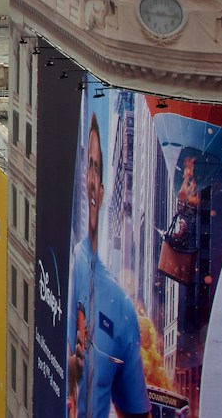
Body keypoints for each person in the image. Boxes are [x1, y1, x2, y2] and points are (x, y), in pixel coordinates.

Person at [68, 114, 150, 418]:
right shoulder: (58, 266)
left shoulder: (121, 308)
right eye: (87, 168)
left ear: (101, 193)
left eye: (96, 168)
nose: (90, 180)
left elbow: (136, 412)